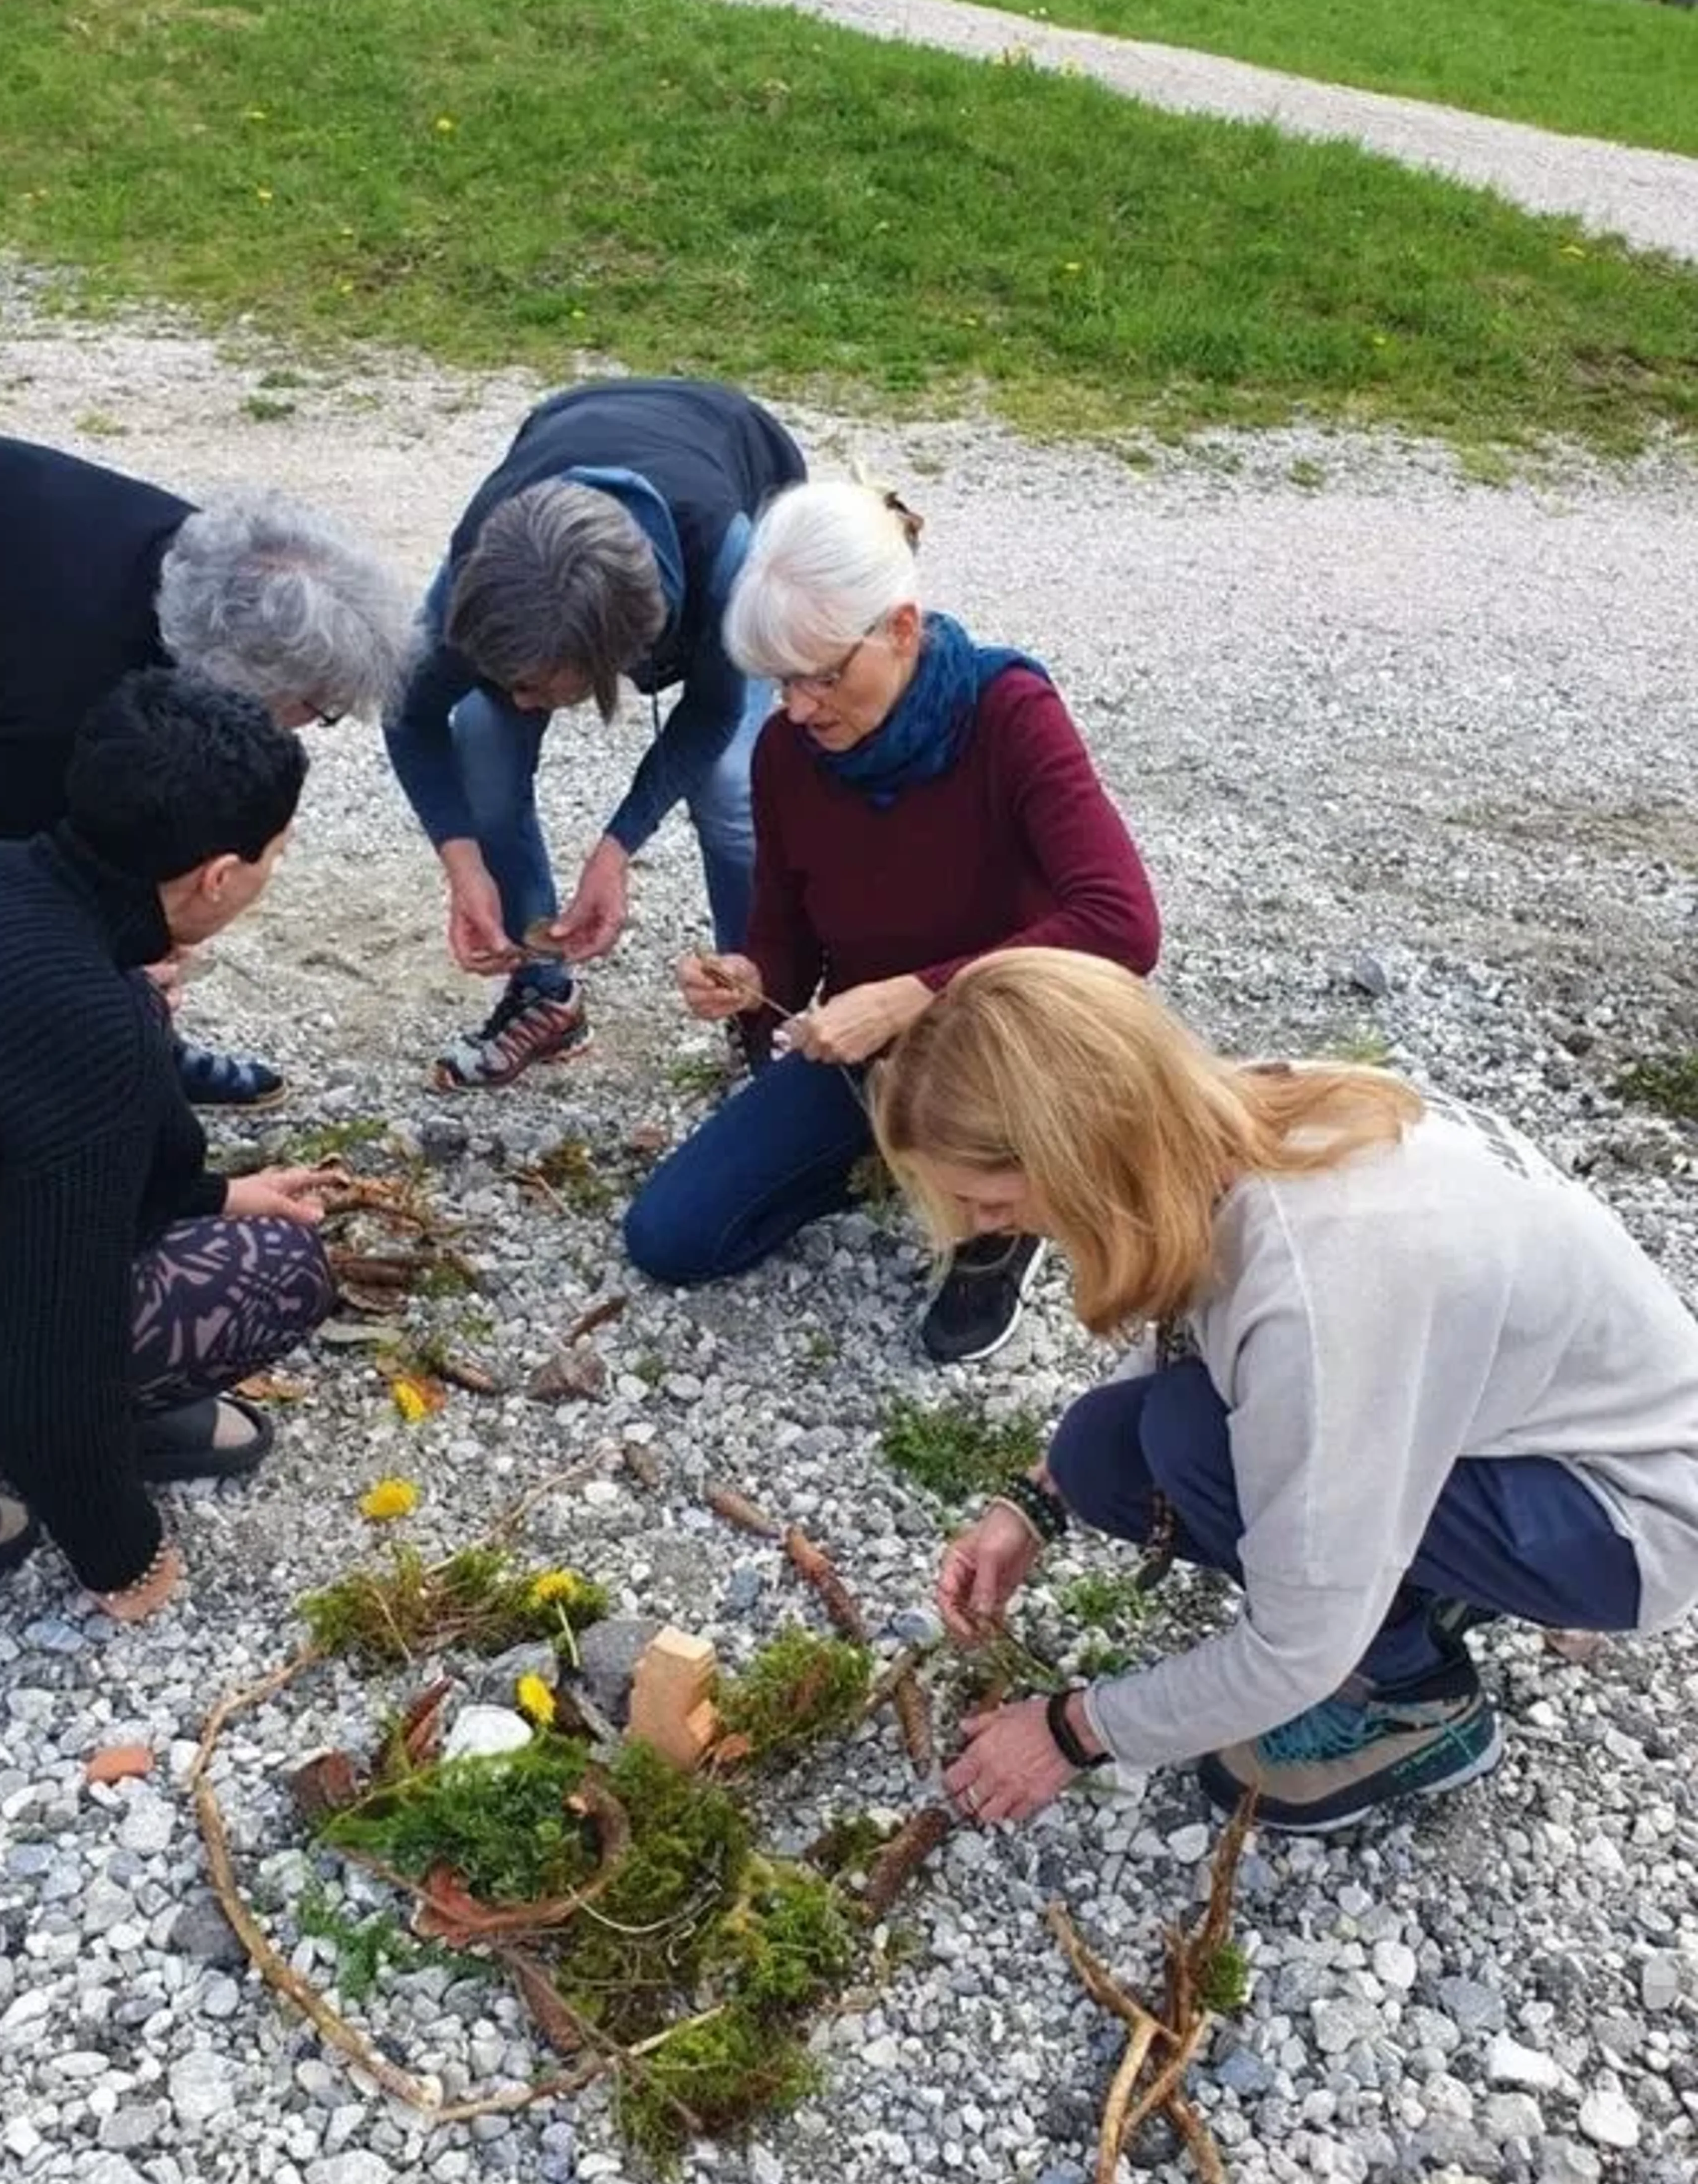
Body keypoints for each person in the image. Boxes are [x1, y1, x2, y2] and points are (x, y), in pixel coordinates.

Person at [870, 949, 1698, 1830]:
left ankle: (1411, 1699)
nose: (992, 1232)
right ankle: (1428, 1582)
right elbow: (1200, 1327)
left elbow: (1297, 1648)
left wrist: (1073, 1731)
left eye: (992, 1203)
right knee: (1100, 1450)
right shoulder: (1234, 1107)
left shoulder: (1323, 1285)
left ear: (1074, 1155)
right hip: (1519, 1420)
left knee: (1193, 1440)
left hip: (1630, 1515)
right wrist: (1036, 1499)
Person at [0, 670, 341, 1614]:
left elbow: (51, 1145)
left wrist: (212, 1196)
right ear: (218, 877)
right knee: (278, 1271)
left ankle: (100, 1425)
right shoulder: (87, 1018)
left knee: (205, 1237)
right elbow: (51, 1361)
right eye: (275, 854)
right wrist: (121, 1554)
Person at [622, 478, 1161, 1365]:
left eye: (822, 676)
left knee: (980, 1103)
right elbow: (787, 941)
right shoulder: (787, 752)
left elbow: (1123, 924)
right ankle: (922, 1163)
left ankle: (1008, 1197)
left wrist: (912, 995)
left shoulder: (1009, 711)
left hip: (1018, 1047)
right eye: (780, 682)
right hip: (876, 1059)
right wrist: (752, 983)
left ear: (900, 630)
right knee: (671, 1236)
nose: (799, 707)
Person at [0, 387, 412, 1104]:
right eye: (314, 709)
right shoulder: (63, 692)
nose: (299, 727)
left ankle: (126, 1047)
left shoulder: (211, 573)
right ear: (234, 676)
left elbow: (119, 847)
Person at [384, 378, 806, 1087]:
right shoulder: (478, 573)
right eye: (506, 675)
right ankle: (546, 995)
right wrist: (464, 867)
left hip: (737, 459)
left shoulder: (726, 562)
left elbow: (711, 711)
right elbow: (409, 711)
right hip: (561, 447)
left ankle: (759, 1012)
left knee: (733, 789)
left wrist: (617, 848)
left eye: (541, 688)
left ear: (615, 662)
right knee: (485, 744)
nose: (523, 702)